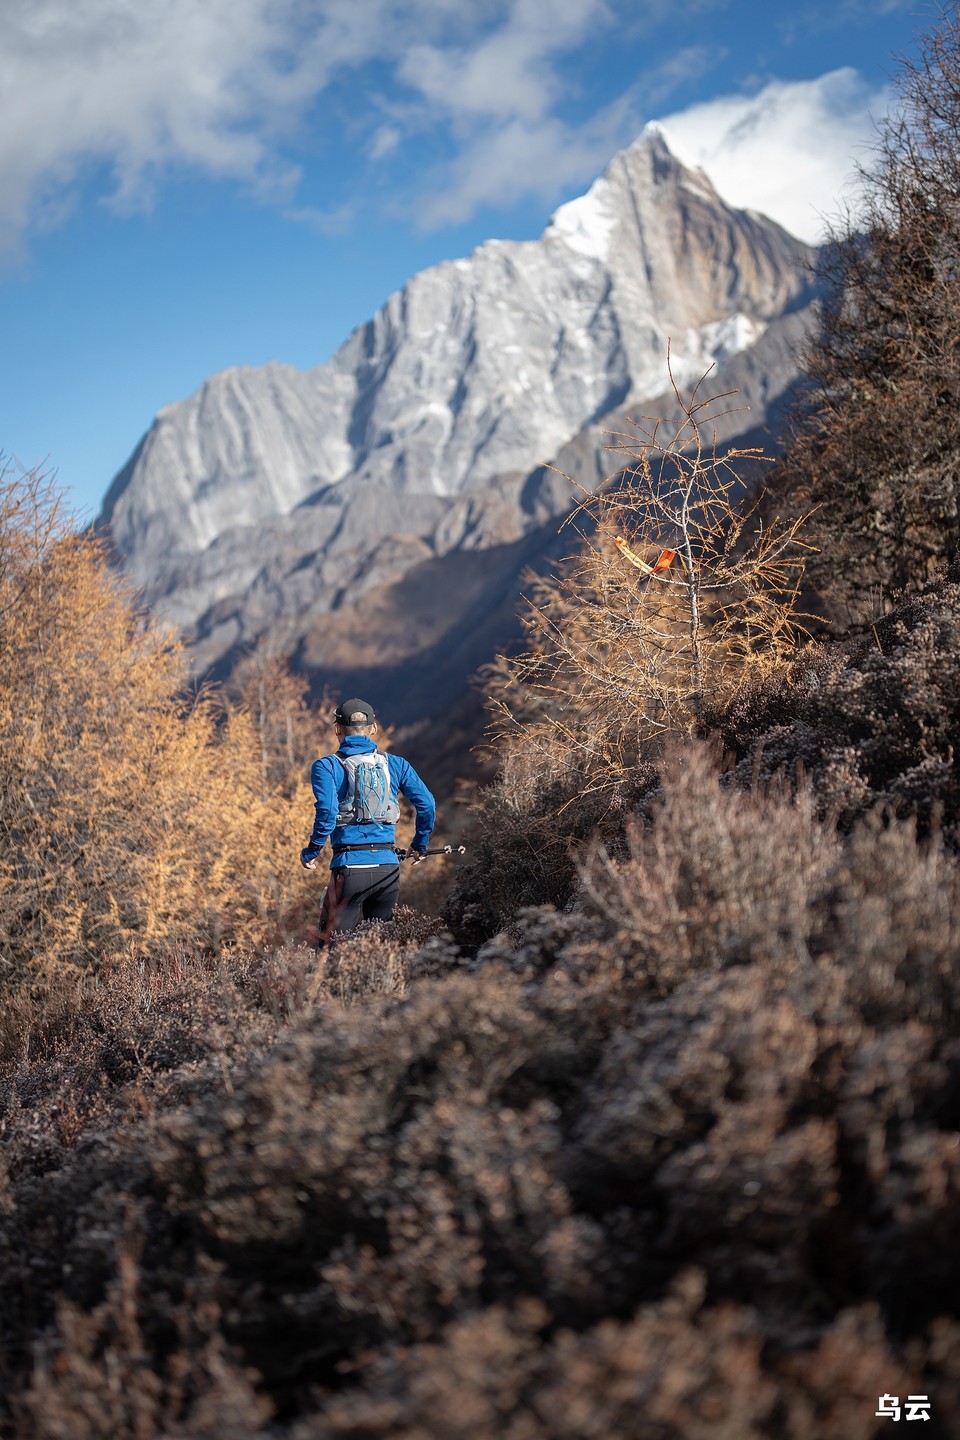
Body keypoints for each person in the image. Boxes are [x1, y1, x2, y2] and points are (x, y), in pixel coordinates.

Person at [300, 698, 436, 941]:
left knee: (332, 949)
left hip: (349, 869)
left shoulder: (326, 766)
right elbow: (426, 804)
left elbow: (328, 812)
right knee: (383, 947)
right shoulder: (396, 764)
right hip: (388, 870)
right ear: (373, 729)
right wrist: (420, 844)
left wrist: (312, 851)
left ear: (337, 729)